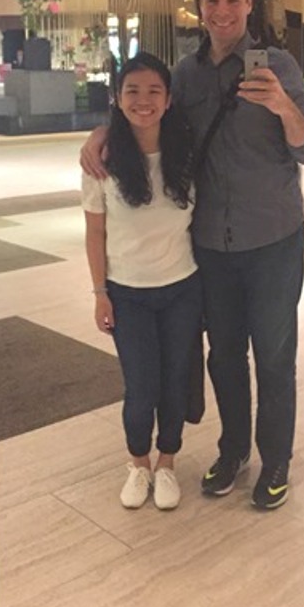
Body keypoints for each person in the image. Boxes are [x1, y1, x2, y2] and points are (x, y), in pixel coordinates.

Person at [81, 0, 304, 509]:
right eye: (212, 0)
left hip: (274, 240)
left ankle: (275, 460)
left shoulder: (279, 65)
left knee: (274, 356)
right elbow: (148, 116)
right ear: (199, 7)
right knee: (225, 356)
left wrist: (282, 104)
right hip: (211, 245)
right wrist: (100, 133)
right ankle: (233, 451)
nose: (223, 11)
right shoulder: (185, 75)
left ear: (250, 3)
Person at [82, 52, 202, 511]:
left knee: (174, 382)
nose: (143, 100)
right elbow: (95, 233)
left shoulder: (186, 154)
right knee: (141, 386)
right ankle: (138, 463)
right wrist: (100, 293)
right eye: (132, 90)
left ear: (169, 100)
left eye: (154, 91)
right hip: (127, 292)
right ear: (117, 97)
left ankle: (167, 462)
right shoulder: (102, 160)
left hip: (182, 288)